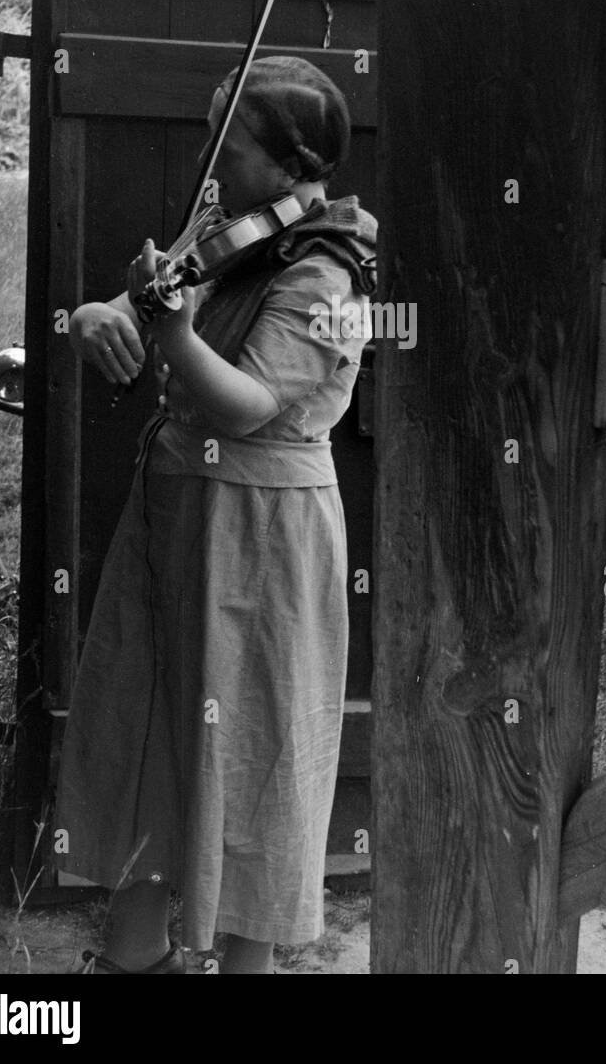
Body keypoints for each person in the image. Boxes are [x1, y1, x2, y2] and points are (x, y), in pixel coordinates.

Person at [53, 56, 377, 975]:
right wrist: (94, 315)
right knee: (152, 718)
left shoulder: (332, 276)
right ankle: (133, 957)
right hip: (176, 514)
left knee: (256, 743)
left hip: (263, 529)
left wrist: (173, 331)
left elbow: (244, 405)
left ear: (292, 164)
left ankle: (245, 969)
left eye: (226, 147)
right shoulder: (231, 228)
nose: (209, 163)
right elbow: (137, 305)